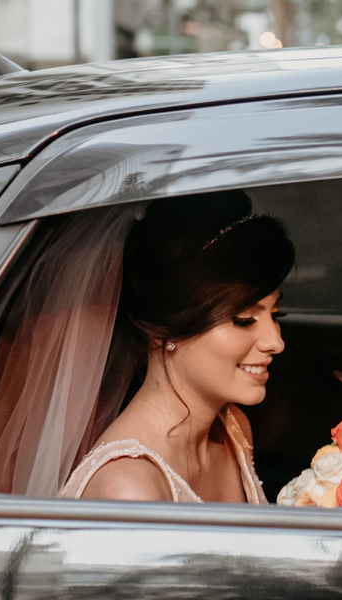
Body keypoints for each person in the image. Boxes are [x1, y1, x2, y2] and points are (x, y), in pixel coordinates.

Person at [51, 191, 293, 504]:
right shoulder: (129, 489)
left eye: (275, 315)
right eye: (244, 319)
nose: (276, 342)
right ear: (165, 329)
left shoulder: (234, 428)